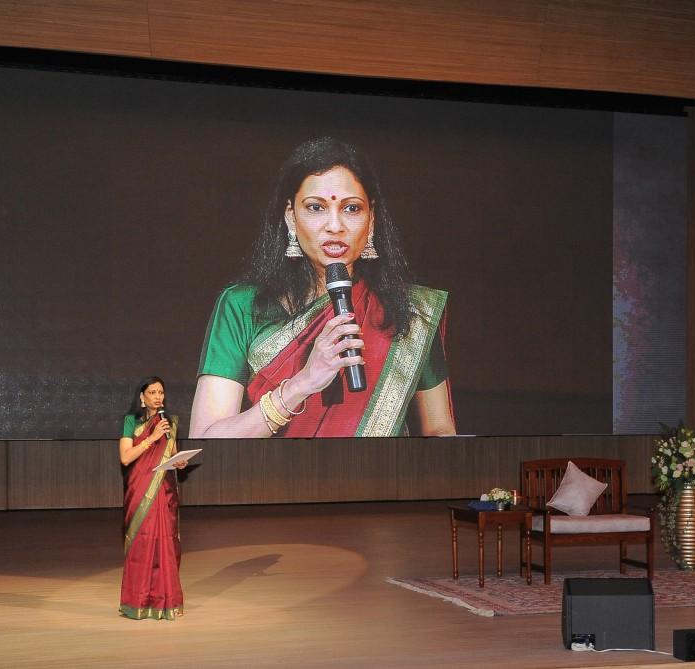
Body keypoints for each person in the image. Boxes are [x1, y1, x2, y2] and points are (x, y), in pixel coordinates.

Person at [190, 137, 455, 438]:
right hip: (269, 483)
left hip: (385, 483)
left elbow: (440, 432)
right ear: (291, 216)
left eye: (351, 209)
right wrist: (302, 383)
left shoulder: (411, 310)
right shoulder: (242, 307)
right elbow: (206, 441)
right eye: (316, 207)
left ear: (371, 220)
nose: (335, 225)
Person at [118, 376, 188, 620]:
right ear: (142, 396)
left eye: (161, 392)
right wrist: (151, 438)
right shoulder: (131, 422)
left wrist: (180, 462)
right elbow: (126, 458)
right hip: (140, 489)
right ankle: (136, 601)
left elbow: (172, 454)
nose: (158, 397)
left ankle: (165, 602)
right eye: (153, 392)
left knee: (166, 544)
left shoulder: (170, 423)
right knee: (142, 543)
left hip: (164, 491)